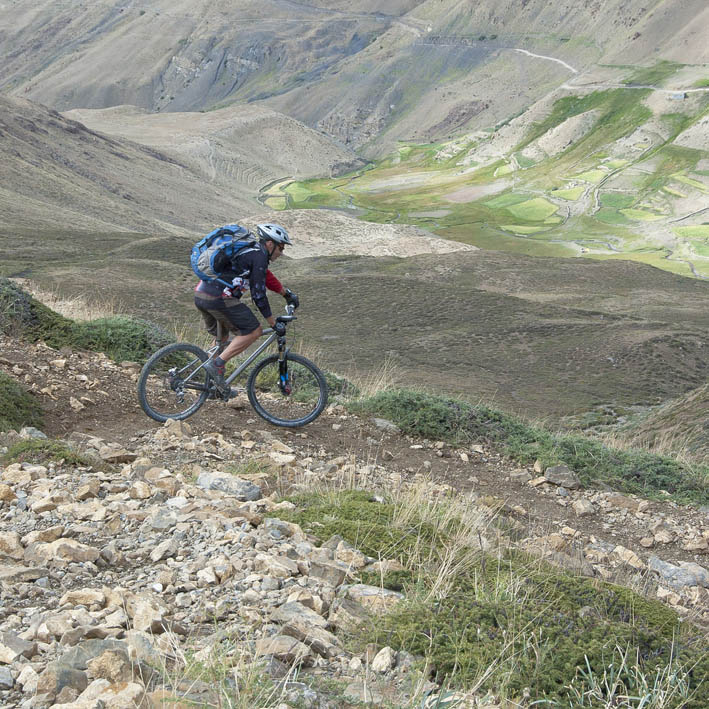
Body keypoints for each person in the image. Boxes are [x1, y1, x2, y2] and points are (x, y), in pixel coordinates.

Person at [195, 223, 299, 393]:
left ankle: (211, 387)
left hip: (201, 294)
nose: (282, 253)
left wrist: (286, 294)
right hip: (219, 298)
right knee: (254, 331)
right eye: (281, 248)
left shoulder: (251, 252)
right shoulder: (258, 256)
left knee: (222, 340)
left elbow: (265, 276)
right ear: (270, 244)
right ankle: (217, 366)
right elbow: (258, 296)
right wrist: (273, 323)